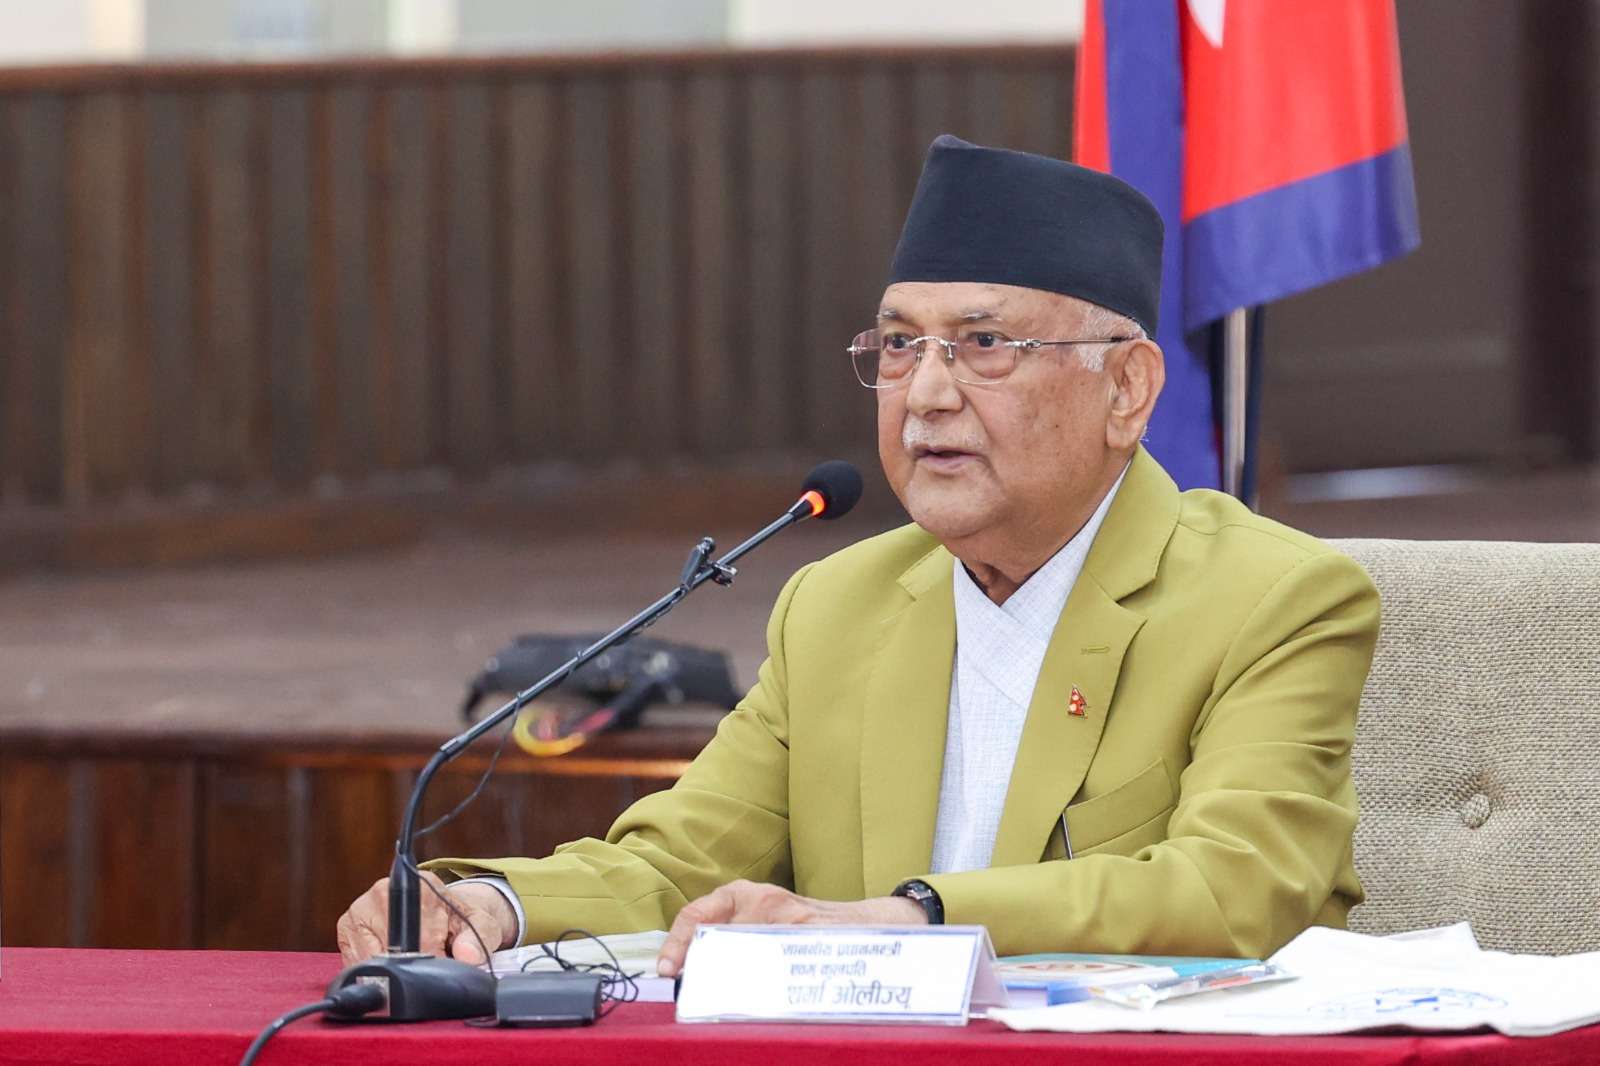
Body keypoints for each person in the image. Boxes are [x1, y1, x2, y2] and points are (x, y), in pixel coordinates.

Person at [337, 135, 1379, 977]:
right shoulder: (839, 602)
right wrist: (494, 904)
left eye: (983, 345)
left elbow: (1232, 888)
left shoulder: (1273, 597)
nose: (925, 393)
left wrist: (904, 920)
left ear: (1126, 389)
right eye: (899, 345)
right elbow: (682, 860)